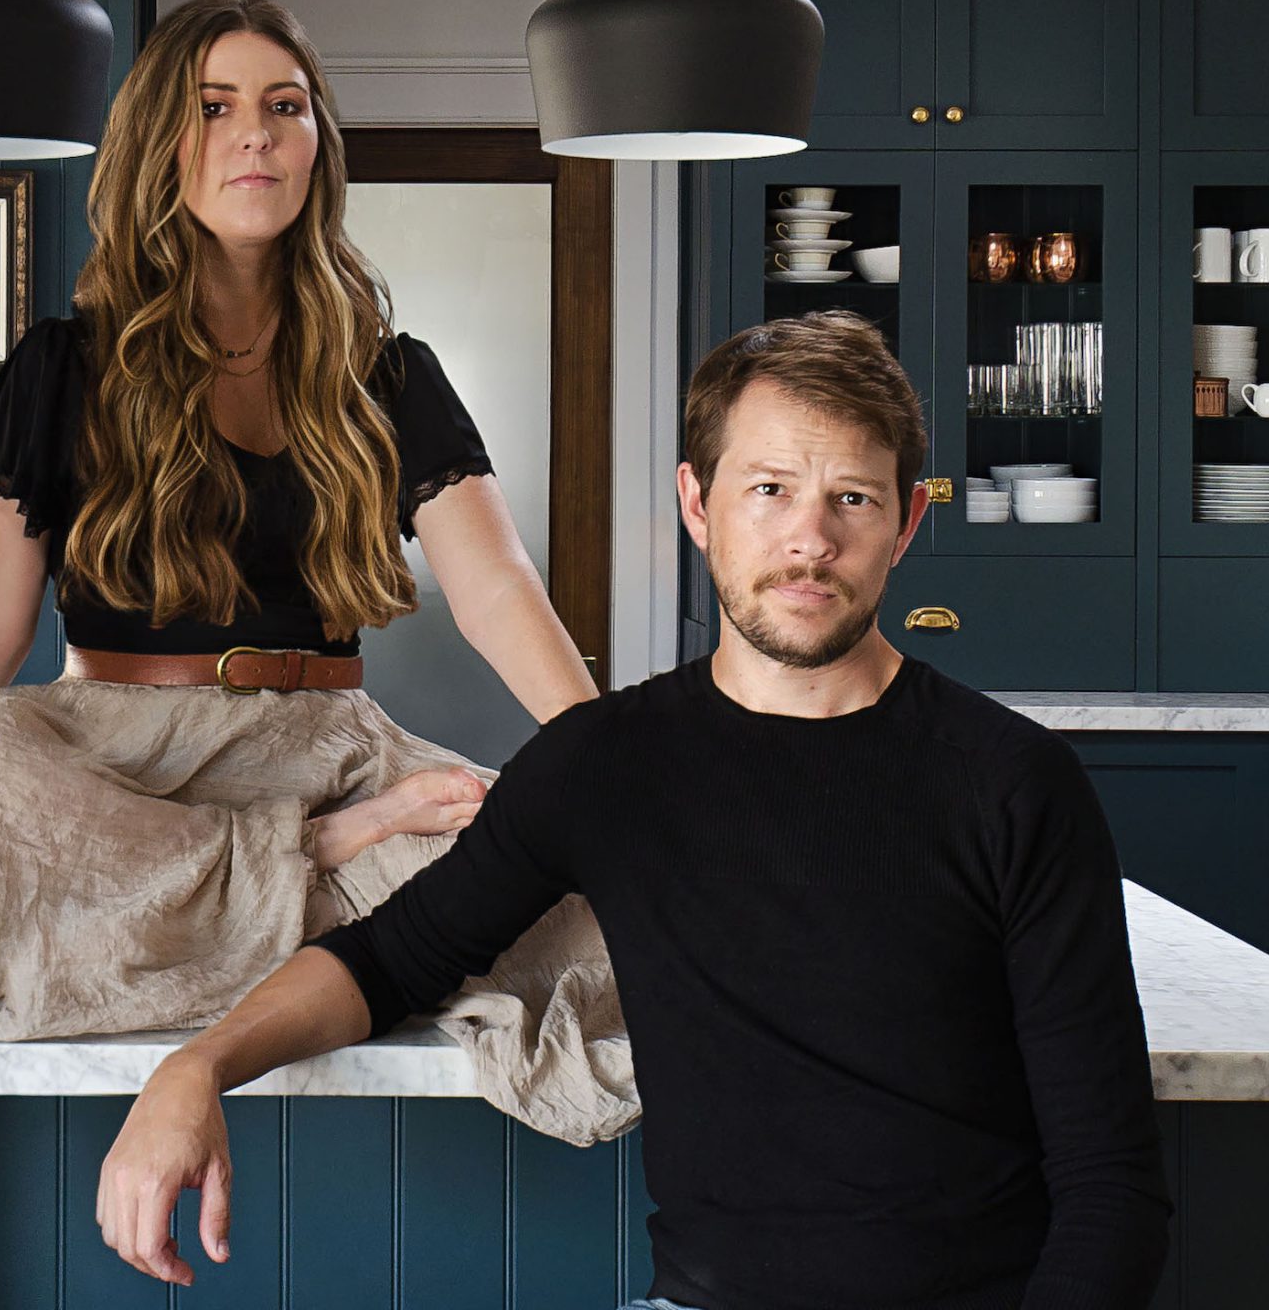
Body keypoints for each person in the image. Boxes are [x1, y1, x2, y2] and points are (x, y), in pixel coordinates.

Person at [94, 310, 1172, 1310]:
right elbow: (388, 960)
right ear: (697, 504)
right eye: (769, 490)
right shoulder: (608, 764)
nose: (810, 540)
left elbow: (1112, 1185)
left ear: (906, 523)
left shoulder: (1014, 782)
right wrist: (195, 1068)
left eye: (852, 497)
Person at [0, 0, 598, 895]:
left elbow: (499, 591)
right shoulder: (61, 368)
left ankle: (316, 839)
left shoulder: (391, 376)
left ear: (317, 146)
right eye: (213, 107)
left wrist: (613, 753)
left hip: (331, 753)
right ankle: (308, 850)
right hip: (120, 770)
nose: (256, 135)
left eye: (284, 106)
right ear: (157, 143)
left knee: (561, 892)